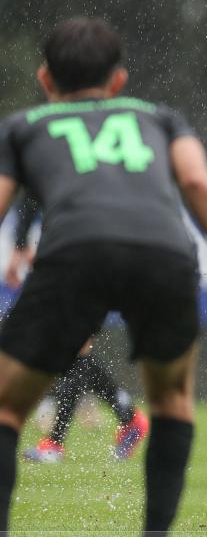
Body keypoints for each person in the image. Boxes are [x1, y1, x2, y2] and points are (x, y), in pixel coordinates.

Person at [0, 18, 207, 537]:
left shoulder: (24, 125)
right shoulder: (160, 118)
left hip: (72, 253)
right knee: (171, 399)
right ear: (118, 81)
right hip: (164, 254)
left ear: (45, 79)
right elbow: (196, 182)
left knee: (7, 406)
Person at [5, 195, 148, 463]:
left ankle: (57, 442)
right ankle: (128, 417)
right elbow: (31, 201)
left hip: (89, 264)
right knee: (73, 353)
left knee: (72, 350)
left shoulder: (72, 173)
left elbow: (30, 199)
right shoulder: (65, 174)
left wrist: (25, 248)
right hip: (74, 262)